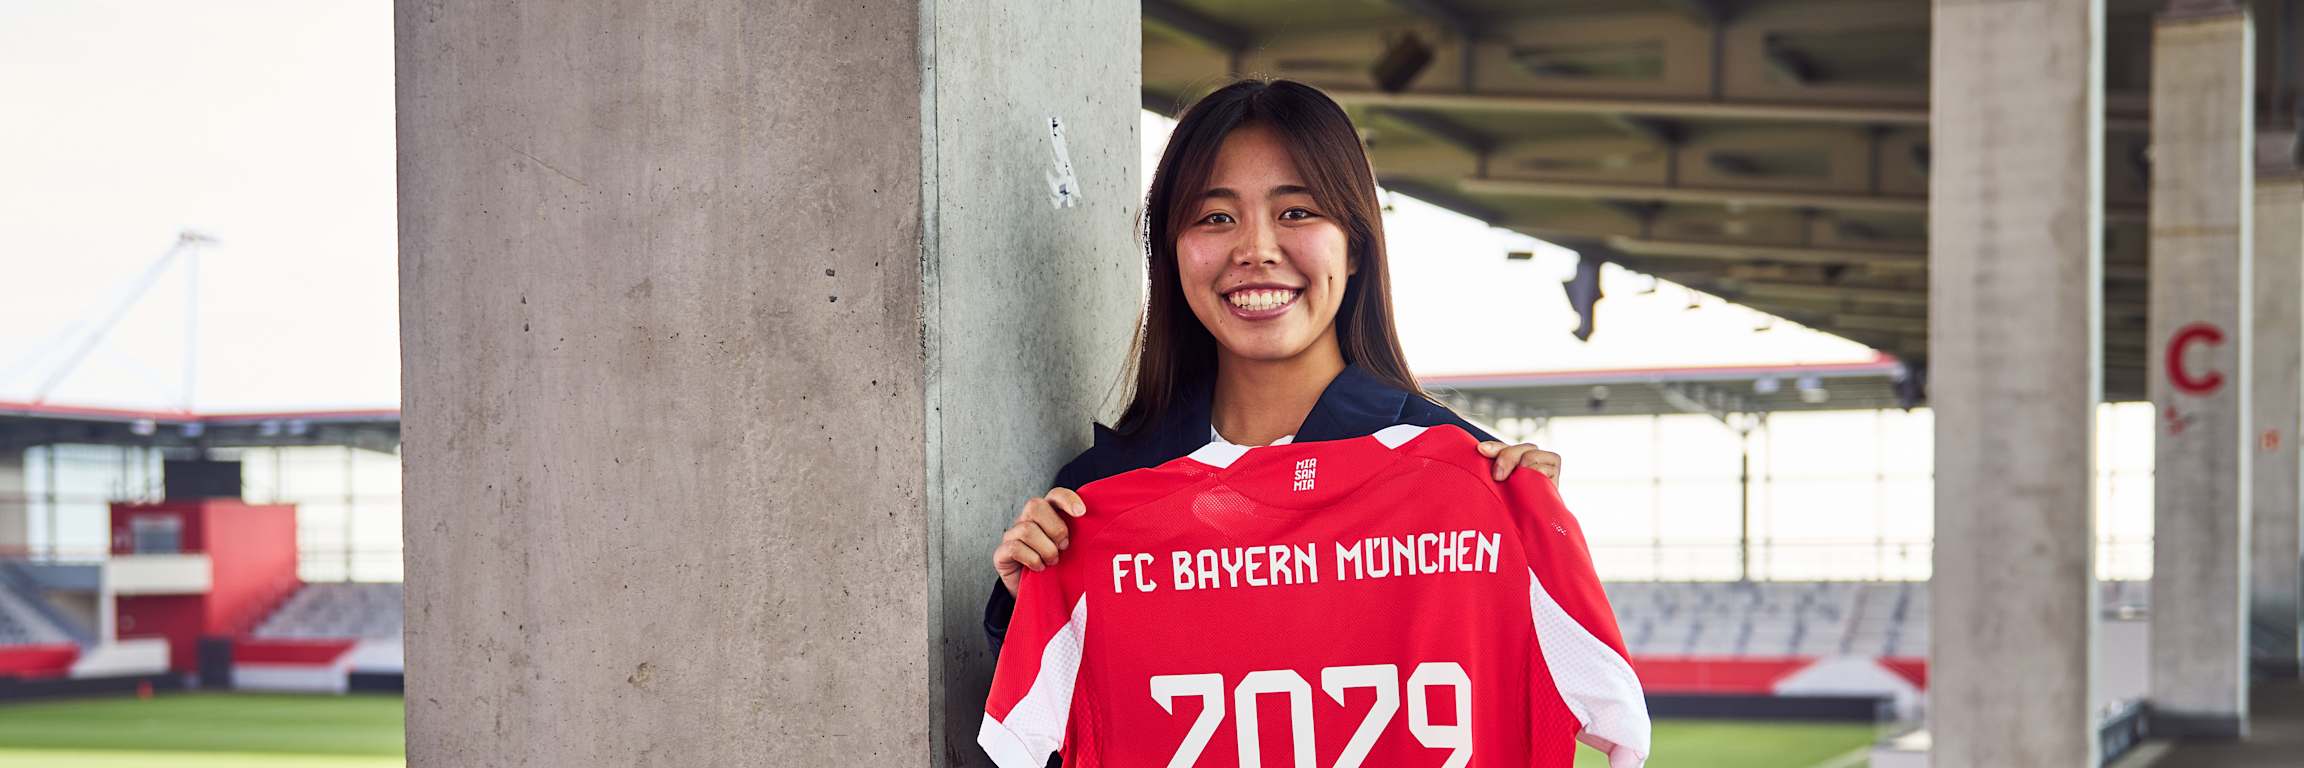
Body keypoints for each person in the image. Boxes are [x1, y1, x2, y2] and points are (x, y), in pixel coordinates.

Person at [984, 78, 1565, 651]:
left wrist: (1534, 547)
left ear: (1355, 245)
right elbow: (1068, 743)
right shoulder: (1102, 496)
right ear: (1171, 252)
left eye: (1296, 212)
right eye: (1215, 217)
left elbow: (1512, 709)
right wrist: (1029, 605)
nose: (1256, 248)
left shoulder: (1461, 482)